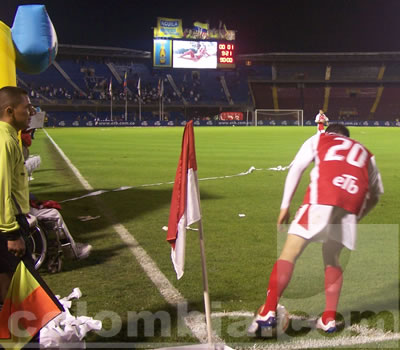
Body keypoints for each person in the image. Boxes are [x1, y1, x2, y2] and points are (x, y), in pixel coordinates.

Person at [248, 124, 384, 335]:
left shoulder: (319, 138)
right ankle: (328, 319)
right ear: (347, 137)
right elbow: (376, 193)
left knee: (290, 253)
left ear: (328, 131)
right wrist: (356, 216)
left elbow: (297, 168)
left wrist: (285, 206)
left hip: (324, 195)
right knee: (333, 259)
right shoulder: (366, 153)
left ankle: (267, 312)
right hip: (352, 201)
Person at [0, 86, 36, 303]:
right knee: (27, 293)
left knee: (6, 285)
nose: (31, 113)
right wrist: (12, 234)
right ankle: (29, 338)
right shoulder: (4, 141)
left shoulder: (9, 137)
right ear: (10, 111)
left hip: (8, 225)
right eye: (27, 108)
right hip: (8, 227)